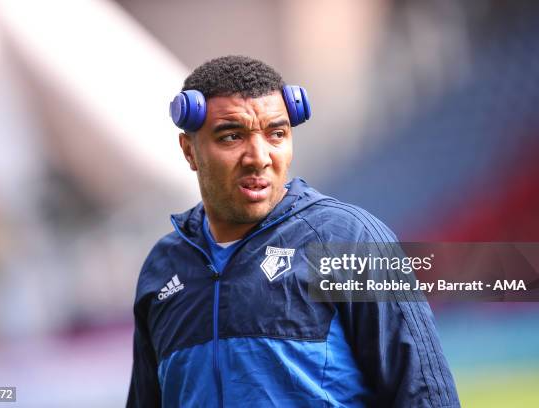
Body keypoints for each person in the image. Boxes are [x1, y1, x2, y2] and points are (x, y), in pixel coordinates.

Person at [127, 55, 460, 407]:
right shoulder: (164, 266)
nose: (259, 156)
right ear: (189, 150)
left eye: (277, 134)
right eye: (231, 136)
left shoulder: (349, 240)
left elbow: (425, 396)